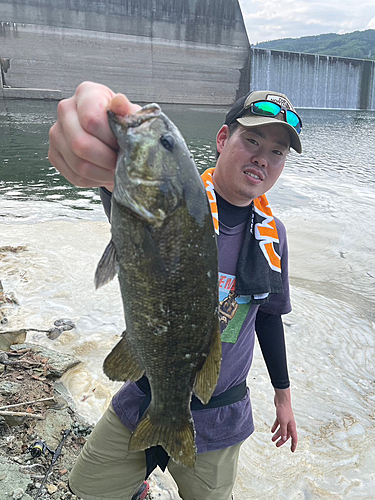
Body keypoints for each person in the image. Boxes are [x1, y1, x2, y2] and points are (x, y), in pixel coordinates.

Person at [48, 82, 300, 500]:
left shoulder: (274, 237)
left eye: (277, 152)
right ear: (222, 139)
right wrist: (99, 139)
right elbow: (122, 185)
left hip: (221, 416)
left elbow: (269, 317)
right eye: (251, 140)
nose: (262, 157)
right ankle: (139, 485)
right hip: (145, 394)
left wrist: (283, 396)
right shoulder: (168, 198)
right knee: (89, 490)